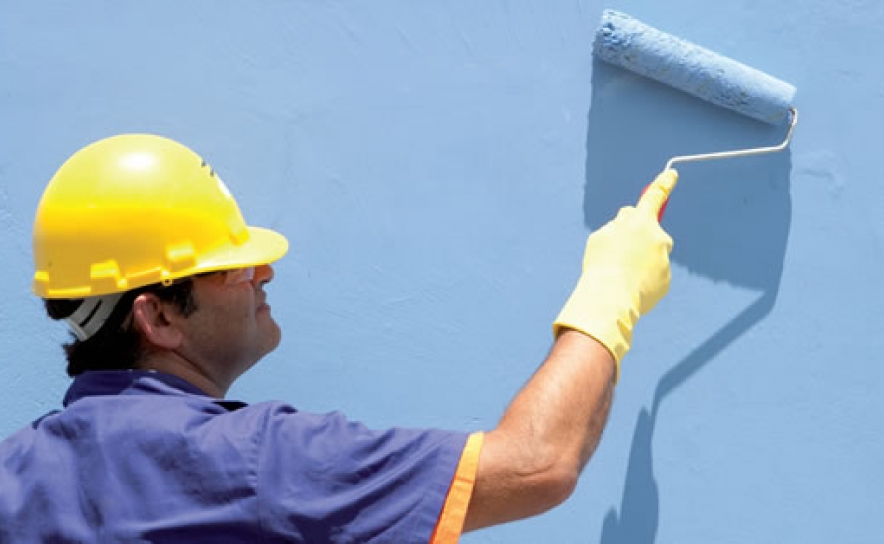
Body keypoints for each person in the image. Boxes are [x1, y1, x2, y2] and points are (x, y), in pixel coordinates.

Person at [0, 134, 676, 543]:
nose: (262, 271)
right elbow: (536, 463)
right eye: (232, 267)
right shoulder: (256, 463)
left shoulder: (11, 476)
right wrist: (612, 290)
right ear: (158, 319)